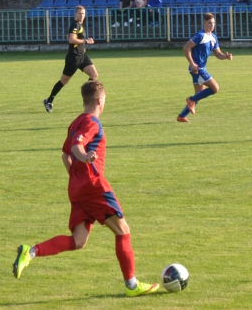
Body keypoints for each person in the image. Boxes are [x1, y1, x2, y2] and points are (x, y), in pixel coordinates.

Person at [12, 80, 161, 298]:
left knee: (78, 240)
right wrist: (85, 158)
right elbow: (75, 148)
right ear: (100, 101)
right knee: (123, 230)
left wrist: (76, 175)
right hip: (93, 185)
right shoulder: (92, 123)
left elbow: (65, 155)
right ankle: (132, 285)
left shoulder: (75, 122)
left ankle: (31, 251)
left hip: (76, 187)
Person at [177, 13, 233, 123]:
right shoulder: (200, 36)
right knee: (215, 88)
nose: (212, 25)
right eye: (209, 23)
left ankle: (182, 116)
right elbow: (186, 48)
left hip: (201, 68)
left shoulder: (213, 38)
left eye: (213, 23)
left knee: (199, 95)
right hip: (197, 68)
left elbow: (218, 54)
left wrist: (225, 57)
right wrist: (192, 63)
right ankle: (190, 100)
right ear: (204, 23)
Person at [43, 6, 96, 113]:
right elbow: (72, 40)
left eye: (83, 14)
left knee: (94, 75)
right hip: (74, 58)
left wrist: (82, 47)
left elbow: (72, 37)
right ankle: (49, 100)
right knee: (64, 81)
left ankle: (87, 100)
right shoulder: (75, 24)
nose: (82, 15)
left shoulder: (79, 25)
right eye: (80, 13)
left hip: (82, 56)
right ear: (75, 14)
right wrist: (86, 41)